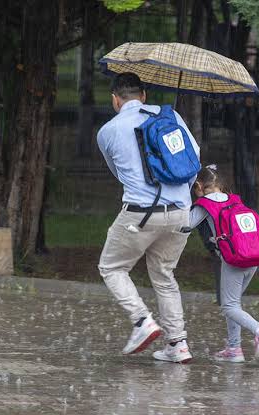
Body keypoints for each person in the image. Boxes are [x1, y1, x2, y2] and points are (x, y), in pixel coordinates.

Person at [97, 72, 200, 363]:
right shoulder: (171, 117)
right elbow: (195, 159)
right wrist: (180, 194)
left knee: (112, 267)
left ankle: (142, 321)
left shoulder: (108, 131)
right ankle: (178, 344)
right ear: (144, 95)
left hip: (140, 214)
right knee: (165, 277)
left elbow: (118, 172)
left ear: (115, 100)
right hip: (181, 212)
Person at [189, 165, 259, 364]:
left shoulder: (205, 204)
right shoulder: (235, 200)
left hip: (233, 260)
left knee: (229, 306)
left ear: (199, 186)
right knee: (234, 304)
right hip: (252, 258)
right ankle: (234, 348)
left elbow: (185, 224)